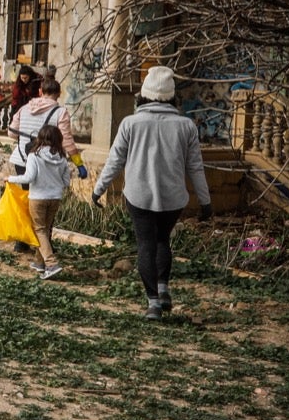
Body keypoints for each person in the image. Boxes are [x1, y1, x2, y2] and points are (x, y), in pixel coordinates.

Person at [91, 65, 212, 320]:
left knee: (146, 244)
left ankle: (153, 304)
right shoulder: (186, 126)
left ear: (143, 94)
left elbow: (115, 161)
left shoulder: (130, 123)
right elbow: (195, 167)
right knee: (162, 240)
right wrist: (205, 201)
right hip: (173, 198)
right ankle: (164, 288)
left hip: (139, 196)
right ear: (172, 96)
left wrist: (98, 190)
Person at [4, 77, 77, 252]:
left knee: (27, 201)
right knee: (44, 201)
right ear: (59, 94)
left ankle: (22, 241)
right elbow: (67, 141)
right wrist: (79, 163)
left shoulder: (24, 108)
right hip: (47, 163)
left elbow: (11, 134)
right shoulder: (60, 112)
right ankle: (44, 245)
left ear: (40, 92)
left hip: (22, 159)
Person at [5, 123, 72, 279]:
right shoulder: (62, 157)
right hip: (55, 198)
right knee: (45, 229)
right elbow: (66, 182)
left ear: (40, 138)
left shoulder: (34, 155)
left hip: (38, 198)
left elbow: (29, 178)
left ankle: (51, 263)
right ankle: (39, 262)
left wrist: (10, 178)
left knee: (39, 230)